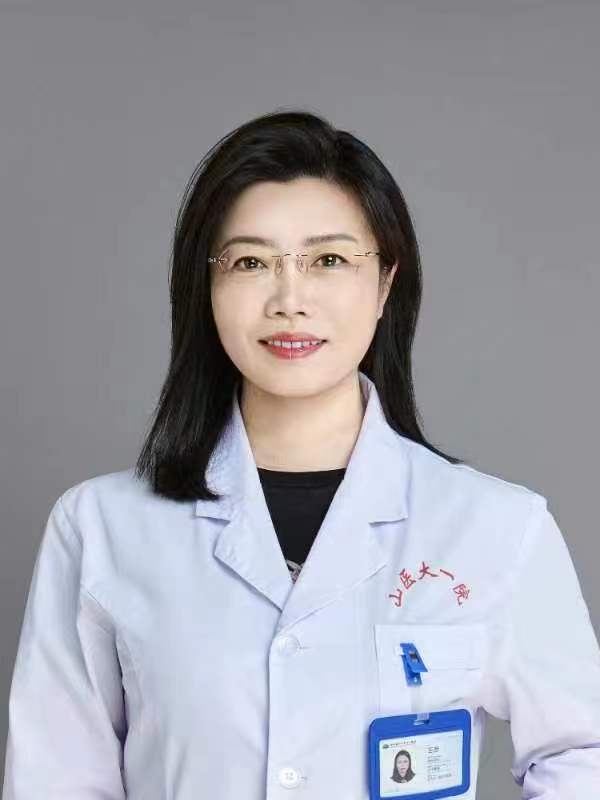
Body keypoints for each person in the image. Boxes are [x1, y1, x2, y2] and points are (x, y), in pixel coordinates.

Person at [3, 109, 600, 800]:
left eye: (329, 260)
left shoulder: (497, 526)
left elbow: (582, 751)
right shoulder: (101, 528)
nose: (290, 299)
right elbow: (54, 779)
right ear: (207, 287)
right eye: (251, 262)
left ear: (385, 283)